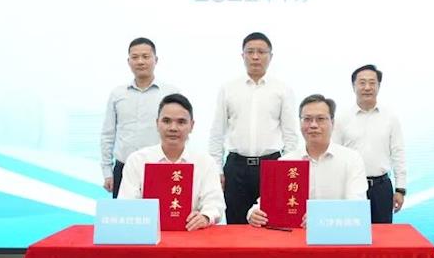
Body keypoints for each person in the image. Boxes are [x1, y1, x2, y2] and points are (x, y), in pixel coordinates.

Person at [209, 32, 298, 224]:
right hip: (236, 167)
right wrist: (217, 169)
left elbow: (291, 136)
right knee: (236, 226)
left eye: (261, 52)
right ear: (242, 56)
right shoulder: (228, 88)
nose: (255, 57)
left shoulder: (282, 89)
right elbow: (217, 133)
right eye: (250, 52)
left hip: (271, 165)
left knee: (270, 223)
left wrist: (285, 169)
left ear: (270, 56)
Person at [247, 94, 366, 227]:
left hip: (336, 233)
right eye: (307, 119)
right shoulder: (285, 162)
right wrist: (254, 213)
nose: (313, 125)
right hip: (295, 234)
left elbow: (357, 204)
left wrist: (322, 216)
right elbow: (263, 204)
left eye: (320, 119)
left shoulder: (351, 159)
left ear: (332, 123)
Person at [118, 93, 225, 229]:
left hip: (192, 233)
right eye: (166, 121)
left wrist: (205, 217)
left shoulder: (205, 162)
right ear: (157, 123)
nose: (173, 128)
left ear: (192, 125)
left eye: (181, 122)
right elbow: (126, 203)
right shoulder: (137, 160)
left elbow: (215, 203)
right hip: (147, 234)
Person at [100, 37, 178, 198]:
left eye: (145, 56)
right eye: (135, 57)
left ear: (156, 60)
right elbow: (108, 134)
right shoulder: (118, 94)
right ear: (128, 61)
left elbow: (179, 133)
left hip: (160, 168)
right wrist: (107, 171)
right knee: (125, 213)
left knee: (162, 213)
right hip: (124, 168)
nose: (140, 61)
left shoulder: (170, 93)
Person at [333, 64, 407, 224]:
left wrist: (400, 189)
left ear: (379, 86)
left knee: (382, 235)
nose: (367, 87)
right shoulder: (341, 118)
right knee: (350, 232)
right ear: (353, 86)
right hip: (350, 187)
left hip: (381, 188)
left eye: (372, 83)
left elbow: (398, 153)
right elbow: (334, 155)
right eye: (362, 82)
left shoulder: (390, 117)